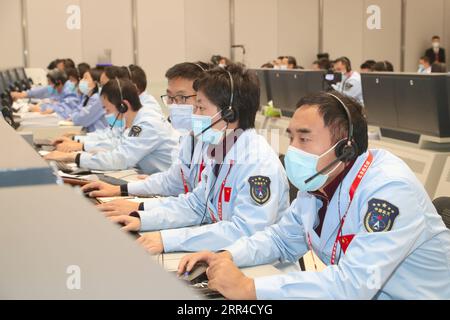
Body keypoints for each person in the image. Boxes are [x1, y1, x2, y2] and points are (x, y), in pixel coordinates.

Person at [178, 91, 450, 300]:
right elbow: (281, 239)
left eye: (304, 139)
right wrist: (226, 256)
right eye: (291, 137)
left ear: (346, 147)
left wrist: (250, 287)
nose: (292, 148)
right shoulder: (320, 183)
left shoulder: (389, 190)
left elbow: (353, 284)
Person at [108, 65, 290, 255]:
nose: (194, 115)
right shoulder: (222, 148)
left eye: (201, 108)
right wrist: (142, 218)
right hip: (224, 251)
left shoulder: (257, 163)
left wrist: (168, 240)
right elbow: (196, 204)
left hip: (261, 267)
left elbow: (244, 232)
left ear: (229, 114)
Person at [81, 62, 210, 204]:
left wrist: (140, 210)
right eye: (170, 98)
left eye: (182, 98)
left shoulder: (149, 120)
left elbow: (200, 205)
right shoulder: (189, 136)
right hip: (170, 193)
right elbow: (174, 181)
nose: (174, 105)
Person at [44, 78, 179, 174]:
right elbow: (119, 145)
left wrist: (72, 156)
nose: (105, 114)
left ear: (123, 106)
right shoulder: (133, 121)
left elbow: (120, 159)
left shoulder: (146, 124)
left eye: (107, 110)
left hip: (167, 184)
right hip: (150, 176)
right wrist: (82, 148)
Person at [68, 68, 108, 132]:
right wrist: (74, 116)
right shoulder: (87, 97)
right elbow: (75, 111)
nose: (82, 80)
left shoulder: (98, 99)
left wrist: (74, 117)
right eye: (82, 78)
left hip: (97, 135)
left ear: (95, 82)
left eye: (85, 78)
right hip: (89, 133)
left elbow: (81, 120)